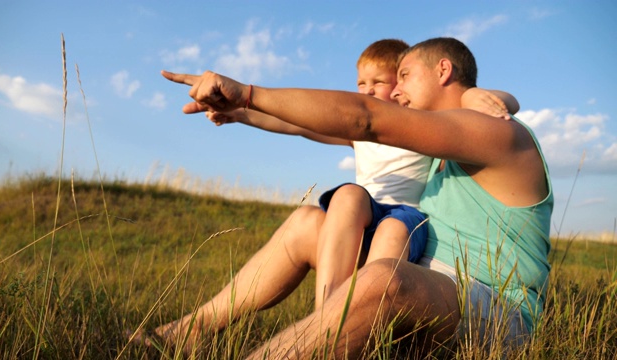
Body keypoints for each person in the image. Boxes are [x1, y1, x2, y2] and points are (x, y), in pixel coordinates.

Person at [156, 36, 552, 359]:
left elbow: (367, 119)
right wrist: (241, 110)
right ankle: (190, 331)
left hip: (494, 313)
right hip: (422, 286)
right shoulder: (436, 154)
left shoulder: (497, 132)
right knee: (308, 223)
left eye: (406, 75)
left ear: (443, 70)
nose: (396, 89)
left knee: (384, 278)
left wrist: (247, 93)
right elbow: (312, 124)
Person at [201, 39, 518, 310]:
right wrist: (240, 115)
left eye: (379, 82)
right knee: (348, 194)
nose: (367, 91)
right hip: (364, 214)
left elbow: (507, 102)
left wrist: (472, 95)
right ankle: (328, 316)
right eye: (361, 84)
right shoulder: (359, 135)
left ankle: (365, 323)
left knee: (392, 229)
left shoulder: (422, 123)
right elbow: (297, 124)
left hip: (406, 218)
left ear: (400, 85)